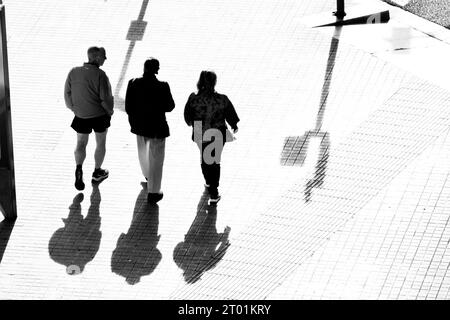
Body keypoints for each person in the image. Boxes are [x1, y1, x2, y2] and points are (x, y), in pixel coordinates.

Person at [184, 70, 240, 203]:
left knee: (205, 157)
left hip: (200, 130)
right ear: (214, 82)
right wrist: (234, 125)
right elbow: (230, 114)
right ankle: (214, 192)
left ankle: (209, 182)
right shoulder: (222, 99)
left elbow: (187, 116)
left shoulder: (193, 98)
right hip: (218, 131)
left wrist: (192, 123)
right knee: (214, 160)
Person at [125, 58, 175, 203]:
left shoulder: (133, 82)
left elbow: (128, 106)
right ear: (157, 69)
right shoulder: (162, 86)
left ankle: (147, 175)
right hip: (157, 127)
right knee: (157, 159)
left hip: (139, 126)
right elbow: (170, 106)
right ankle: (153, 192)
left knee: (142, 152)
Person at [64, 46, 114, 191]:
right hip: (99, 115)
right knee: (100, 142)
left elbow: (67, 93)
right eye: (104, 56)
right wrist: (109, 111)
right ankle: (97, 172)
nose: (105, 59)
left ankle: (79, 168)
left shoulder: (73, 72)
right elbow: (105, 98)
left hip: (81, 115)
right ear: (97, 58)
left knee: (81, 143)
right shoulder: (101, 75)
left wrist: (74, 108)